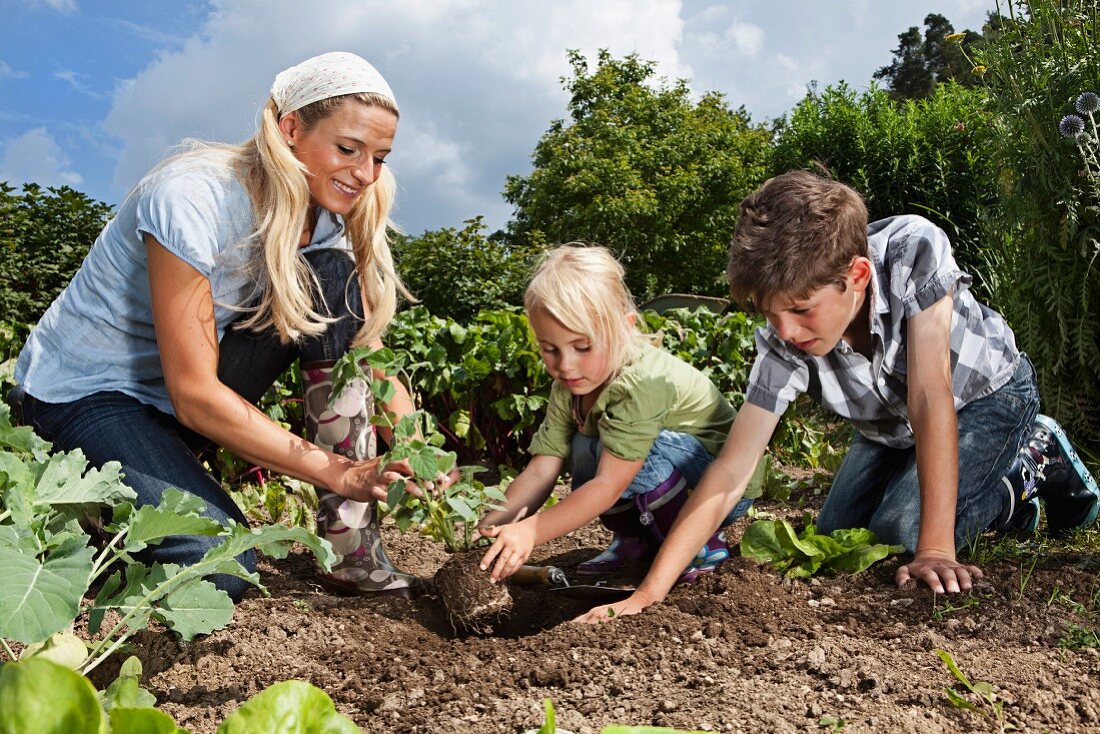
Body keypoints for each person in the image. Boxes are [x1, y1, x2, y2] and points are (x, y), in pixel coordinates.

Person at [6, 52, 439, 601]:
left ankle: (350, 546)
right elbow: (194, 395)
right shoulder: (192, 197)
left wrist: (417, 450)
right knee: (221, 569)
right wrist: (338, 470)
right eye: (348, 149)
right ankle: (92, 519)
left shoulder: (328, 213)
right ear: (289, 129)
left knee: (331, 275)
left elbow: (365, 353)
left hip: (175, 399)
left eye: (379, 157)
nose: (365, 173)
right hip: (86, 397)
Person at [578, 170, 1099, 623]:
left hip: (984, 399)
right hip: (890, 430)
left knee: (900, 535)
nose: (784, 330)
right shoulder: (783, 336)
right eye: (769, 313)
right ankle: (998, 501)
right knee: (839, 537)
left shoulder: (912, 248)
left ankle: (1033, 454)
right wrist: (649, 593)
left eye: (802, 310)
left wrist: (935, 548)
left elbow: (929, 394)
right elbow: (732, 469)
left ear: (856, 276)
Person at [478, 245, 761, 584]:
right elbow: (541, 471)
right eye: (549, 349)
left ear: (624, 329)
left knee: (628, 452)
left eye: (583, 347)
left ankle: (696, 542)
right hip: (668, 475)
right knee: (585, 444)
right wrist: (493, 525)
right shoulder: (568, 388)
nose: (565, 365)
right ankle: (636, 540)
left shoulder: (640, 382)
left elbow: (609, 485)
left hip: (719, 491)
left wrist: (531, 532)